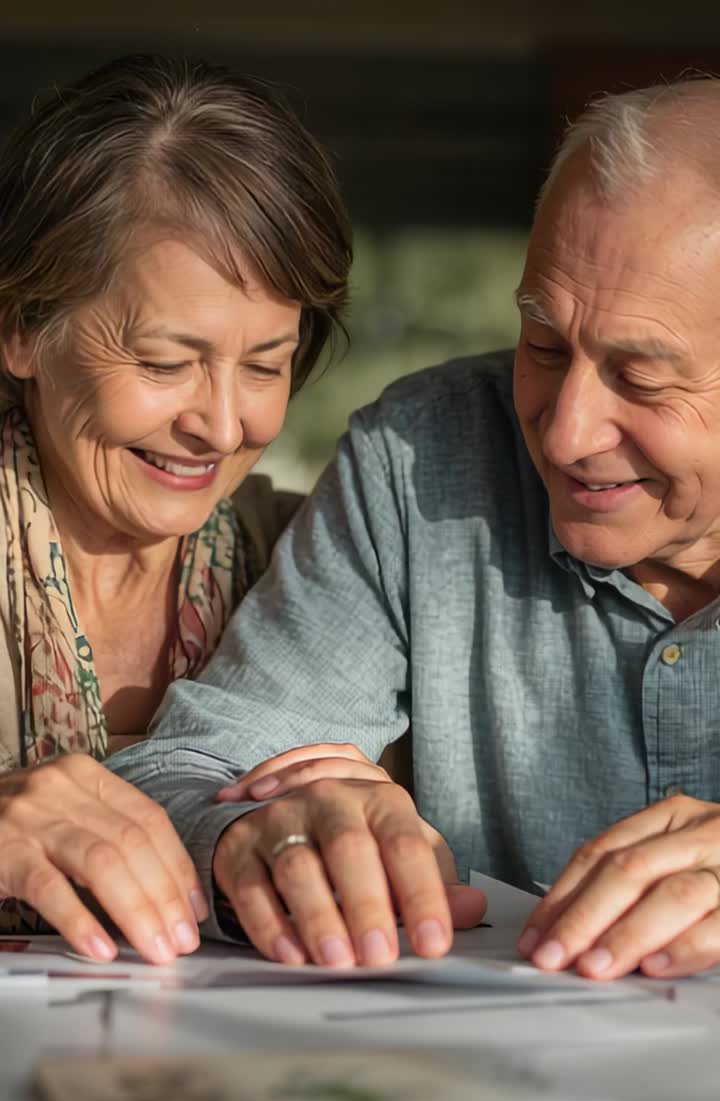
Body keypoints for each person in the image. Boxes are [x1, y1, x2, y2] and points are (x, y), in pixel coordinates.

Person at [109, 76, 720, 981]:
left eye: (641, 378)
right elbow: (199, 761)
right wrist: (250, 829)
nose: (561, 432)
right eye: (544, 346)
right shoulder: (423, 456)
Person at [0, 53, 353, 964]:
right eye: (163, 363)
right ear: (21, 327)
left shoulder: (321, 564)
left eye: (267, 365)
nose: (223, 425)